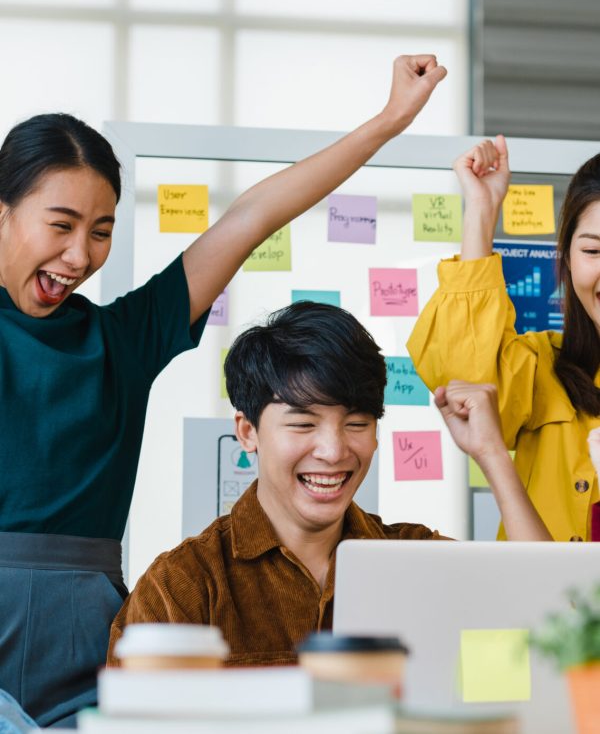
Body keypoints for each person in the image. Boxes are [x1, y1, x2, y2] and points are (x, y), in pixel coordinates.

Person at [0, 55, 446, 728]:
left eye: (101, 231)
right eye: (60, 226)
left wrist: (387, 124)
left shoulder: (126, 337)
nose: (80, 256)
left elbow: (251, 216)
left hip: (85, 641)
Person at [107, 302, 550, 669]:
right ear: (247, 431)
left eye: (357, 423)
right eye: (303, 423)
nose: (334, 451)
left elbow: (550, 620)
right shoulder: (184, 586)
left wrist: (492, 454)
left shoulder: (417, 558)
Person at [408, 136, 600, 542]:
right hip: (541, 604)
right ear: (565, 258)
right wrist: (481, 211)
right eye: (594, 251)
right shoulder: (544, 367)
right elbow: (464, 381)